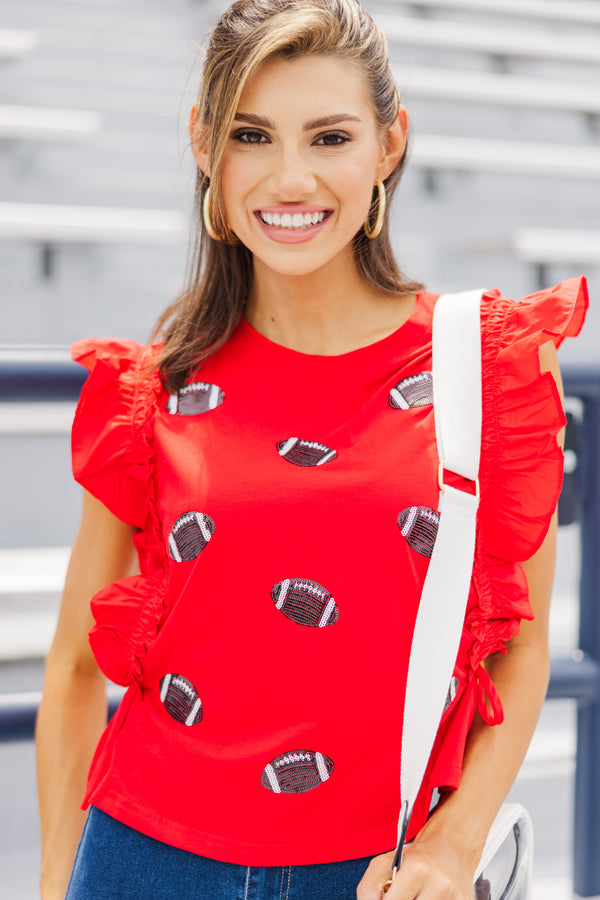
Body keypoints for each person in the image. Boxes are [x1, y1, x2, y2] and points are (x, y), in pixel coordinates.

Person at [36, 1, 588, 898]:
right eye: (253, 136)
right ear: (205, 147)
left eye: (329, 137)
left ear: (390, 146)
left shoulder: (491, 369)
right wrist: (62, 877)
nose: (291, 178)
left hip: (378, 869)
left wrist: (455, 842)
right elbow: (70, 664)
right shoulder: (153, 386)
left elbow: (519, 648)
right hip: (144, 859)